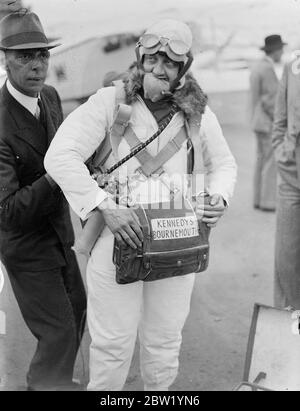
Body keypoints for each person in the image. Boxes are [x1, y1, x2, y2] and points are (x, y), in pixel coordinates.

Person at [45, 19, 237, 391]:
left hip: (177, 243)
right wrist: (104, 204)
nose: (158, 69)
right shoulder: (109, 101)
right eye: (152, 59)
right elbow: (60, 156)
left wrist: (219, 196)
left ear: (183, 68)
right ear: (140, 58)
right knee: (112, 346)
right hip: (119, 238)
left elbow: (224, 164)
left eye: (169, 62)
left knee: (164, 344)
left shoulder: (198, 113)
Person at [0, 10, 86, 391]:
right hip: (24, 245)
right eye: (24, 56)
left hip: (59, 234)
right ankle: (44, 385)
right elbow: (7, 212)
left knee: (78, 311)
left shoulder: (50, 96)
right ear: (4, 59)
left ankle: (54, 381)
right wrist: (56, 175)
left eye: (43, 55)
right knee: (58, 332)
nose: (37, 66)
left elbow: (70, 148)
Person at [272, 52, 300, 310]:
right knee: (287, 256)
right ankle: (289, 318)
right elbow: (280, 118)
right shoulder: (293, 65)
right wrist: (280, 150)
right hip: (291, 171)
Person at [250, 35, 286, 211]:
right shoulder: (267, 69)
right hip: (267, 122)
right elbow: (271, 100)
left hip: (258, 121)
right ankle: (268, 202)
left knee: (261, 160)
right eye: (281, 50)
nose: (283, 53)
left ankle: (258, 199)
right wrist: (280, 121)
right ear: (276, 50)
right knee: (270, 162)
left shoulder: (258, 67)